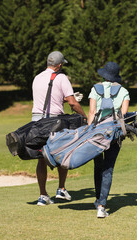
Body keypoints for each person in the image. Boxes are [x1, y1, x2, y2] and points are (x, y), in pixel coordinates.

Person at [31, 51, 87, 206]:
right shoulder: (62, 77)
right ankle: (61, 189)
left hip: (36, 121)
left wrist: (63, 97)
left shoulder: (37, 77)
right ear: (60, 65)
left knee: (42, 158)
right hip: (54, 122)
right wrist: (84, 116)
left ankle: (43, 196)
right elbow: (73, 103)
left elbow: (45, 99)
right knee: (63, 153)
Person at [87, 62, 130, 218]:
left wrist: (89, 132)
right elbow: (122, 116)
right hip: (113, 133)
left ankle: (98, 199)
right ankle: (101, 205)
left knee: (98, 166)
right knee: (108, 168)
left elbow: (91, 113)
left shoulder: (95, 89)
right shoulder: (123, 91)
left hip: (96, 133)